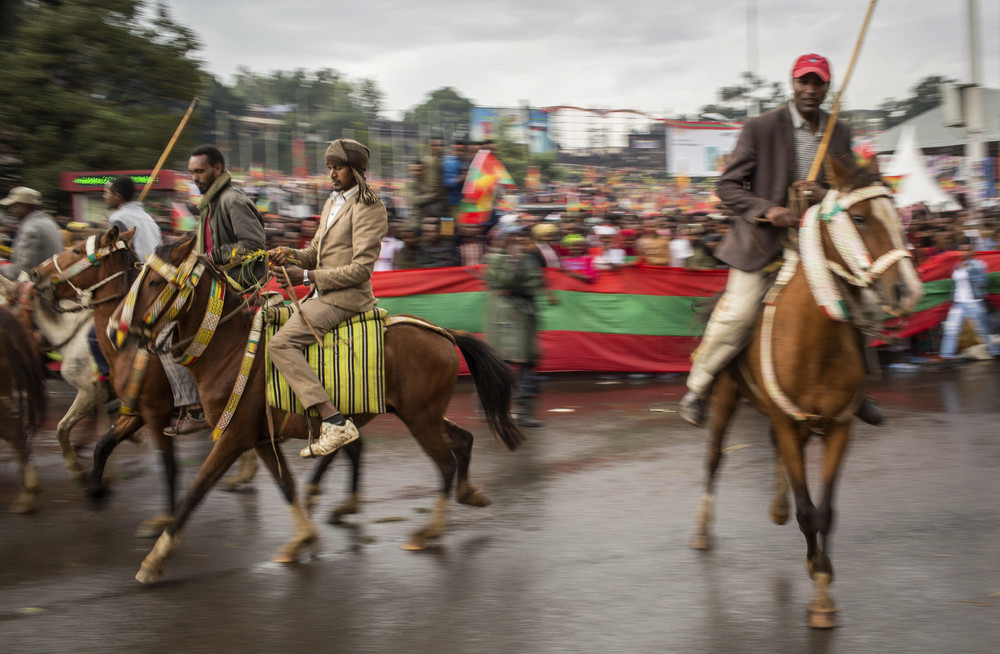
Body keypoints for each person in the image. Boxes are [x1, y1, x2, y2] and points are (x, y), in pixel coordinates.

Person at [678, 53, 883, 428]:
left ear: (826, 86)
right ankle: (698, 386)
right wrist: (768, 210)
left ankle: (858, 389)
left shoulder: (840, 130)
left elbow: (849, 189)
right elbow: (727, 187)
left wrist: (823, 192)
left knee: (863, 302)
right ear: (793, 83)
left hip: (818, 244)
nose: (809, 89)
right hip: (764, 243)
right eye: (803, 81)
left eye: (817, 82)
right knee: (737, 312)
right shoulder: (761, 127)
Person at [268, 139, 388, 458]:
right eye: (330, 168)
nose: (332, 173)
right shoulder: (332, 201)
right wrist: (289, 254)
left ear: (356, 170)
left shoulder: (369, 207)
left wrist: (305, 277)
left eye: (338, 167)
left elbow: (362, 270)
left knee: (280, 344)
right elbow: (314, 253)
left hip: (346, 298)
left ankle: (333, 421)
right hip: (321, 292)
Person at [92, 176, 208, 433]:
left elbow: (116, 258)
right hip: (153, 276)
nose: (104, 196)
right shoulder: (146, 216)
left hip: (139, 284)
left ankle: (114, 387)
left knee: (96, 335)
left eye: (107, 193)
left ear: (118, 196)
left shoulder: (116, 220)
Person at [484, 224, 546, 427]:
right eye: (514, 237)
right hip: (505, 317)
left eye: (520, 237)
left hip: (525, 313)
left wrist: (520, 287)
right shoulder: (495, 258)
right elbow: (503, 282)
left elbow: (535, 281)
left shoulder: (527, 257)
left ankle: (523, 412)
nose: (518, 241)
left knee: (528, 362)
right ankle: (494, 408)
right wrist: (512, 262)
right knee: (505, 363)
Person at [188, 145, 267, 288]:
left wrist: (212, 258)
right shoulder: (208, 204)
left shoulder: (233, 200)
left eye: (199, 171)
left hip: (238, 291)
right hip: (212, 285)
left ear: (217, 169)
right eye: (192, 172)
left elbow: (255, 246)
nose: (194, 178)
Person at [937, 240, 998, 360]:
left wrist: (971, 269)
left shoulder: (978, 264)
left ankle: (996, 352)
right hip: (958, 303)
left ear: (971, 251)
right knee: (951, 329)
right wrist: (952, 299)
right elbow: (954, 285)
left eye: (967, 250)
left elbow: (982, 282)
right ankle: (946, 355)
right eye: (962, 250)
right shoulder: (957, 266)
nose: (964, 253)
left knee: (984, 330)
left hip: (974, 302)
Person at [0, 187, 63, 280]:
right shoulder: (50, 222)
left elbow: (21, 272)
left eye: (14, 206)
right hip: (52, 281)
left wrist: (1, 265)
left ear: (25, 206)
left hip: (37, 287)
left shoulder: (30, 229)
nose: (11, 210)